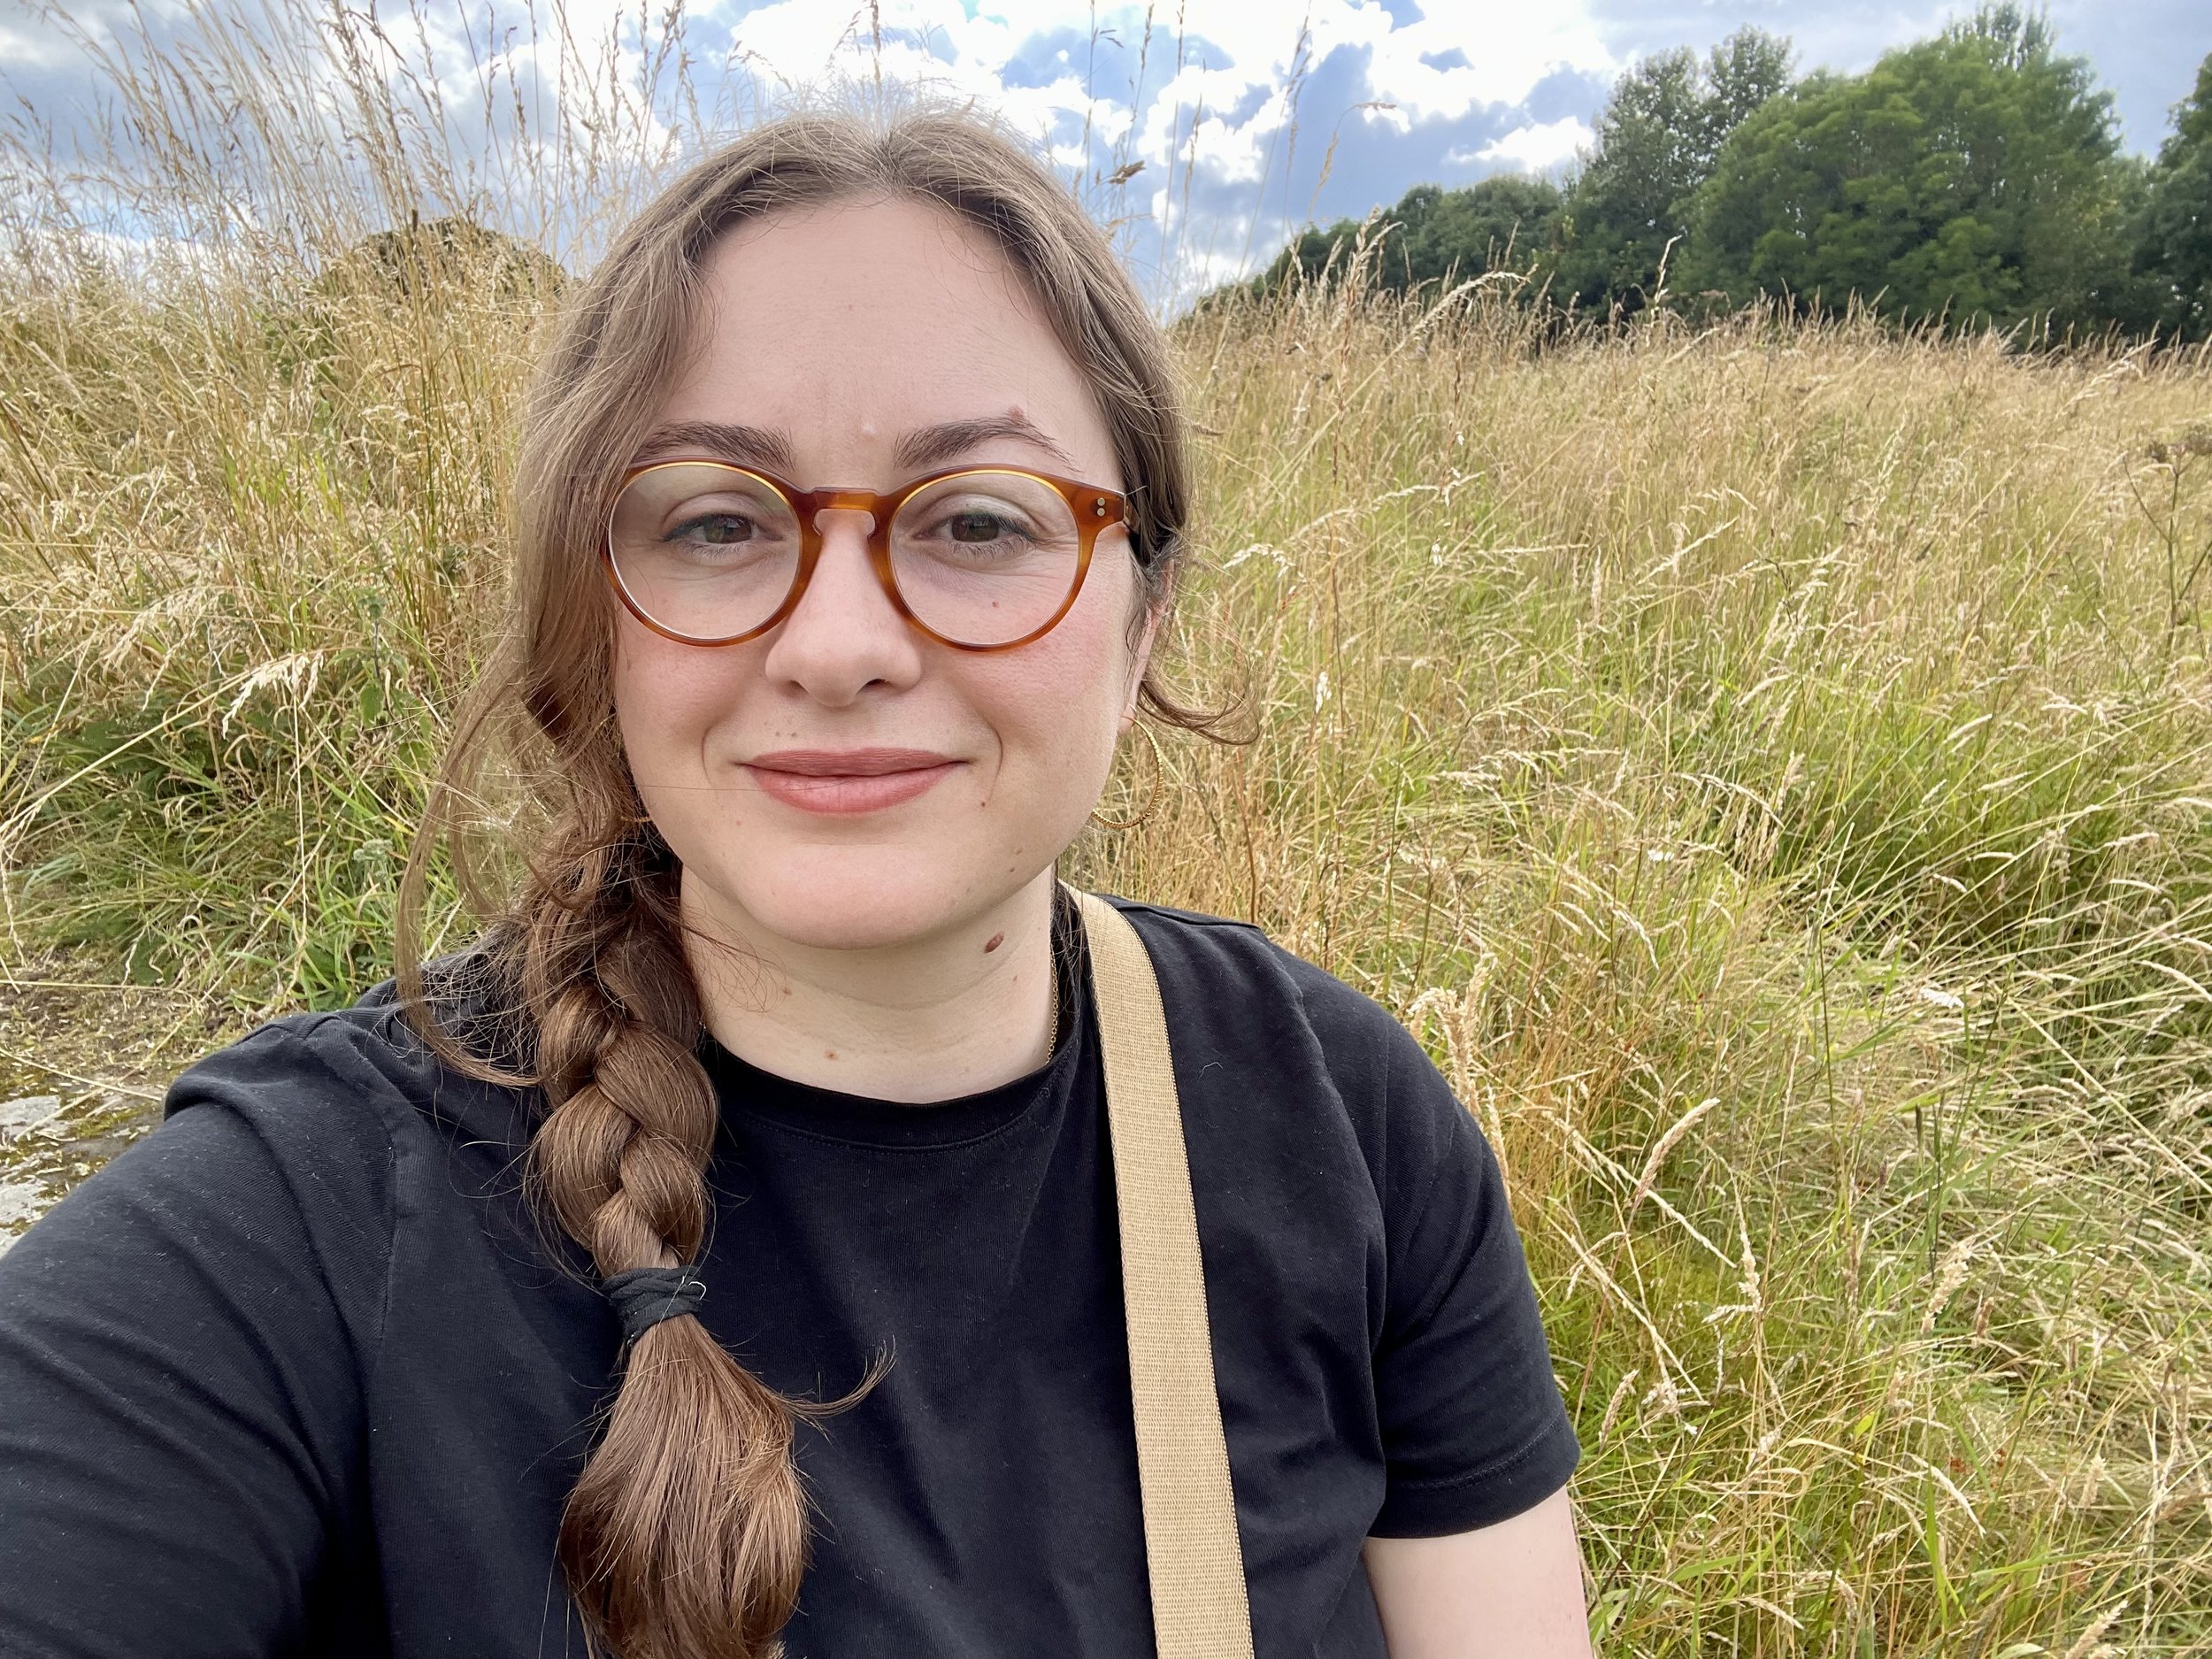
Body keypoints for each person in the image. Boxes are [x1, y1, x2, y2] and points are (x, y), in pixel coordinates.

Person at [0, 108, 1590, 1659]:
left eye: (979, 520)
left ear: (1146, 617)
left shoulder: (1344, 1124)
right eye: (712, 522)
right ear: (595, 609)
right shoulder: (305, 1221)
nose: (837, 647)